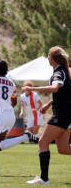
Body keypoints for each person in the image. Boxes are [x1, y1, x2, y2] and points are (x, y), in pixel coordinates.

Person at [23, 46, 71, 185]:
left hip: (61, 115)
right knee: (63, 149)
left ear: (50, 58)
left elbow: (55, 88)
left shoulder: (58, 72)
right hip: (67, 115)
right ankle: (44, 178)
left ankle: (44, 179)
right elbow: (62, 93)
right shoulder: (65, 72)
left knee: (42, 142)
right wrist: (48, 105)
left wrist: (32, 88)